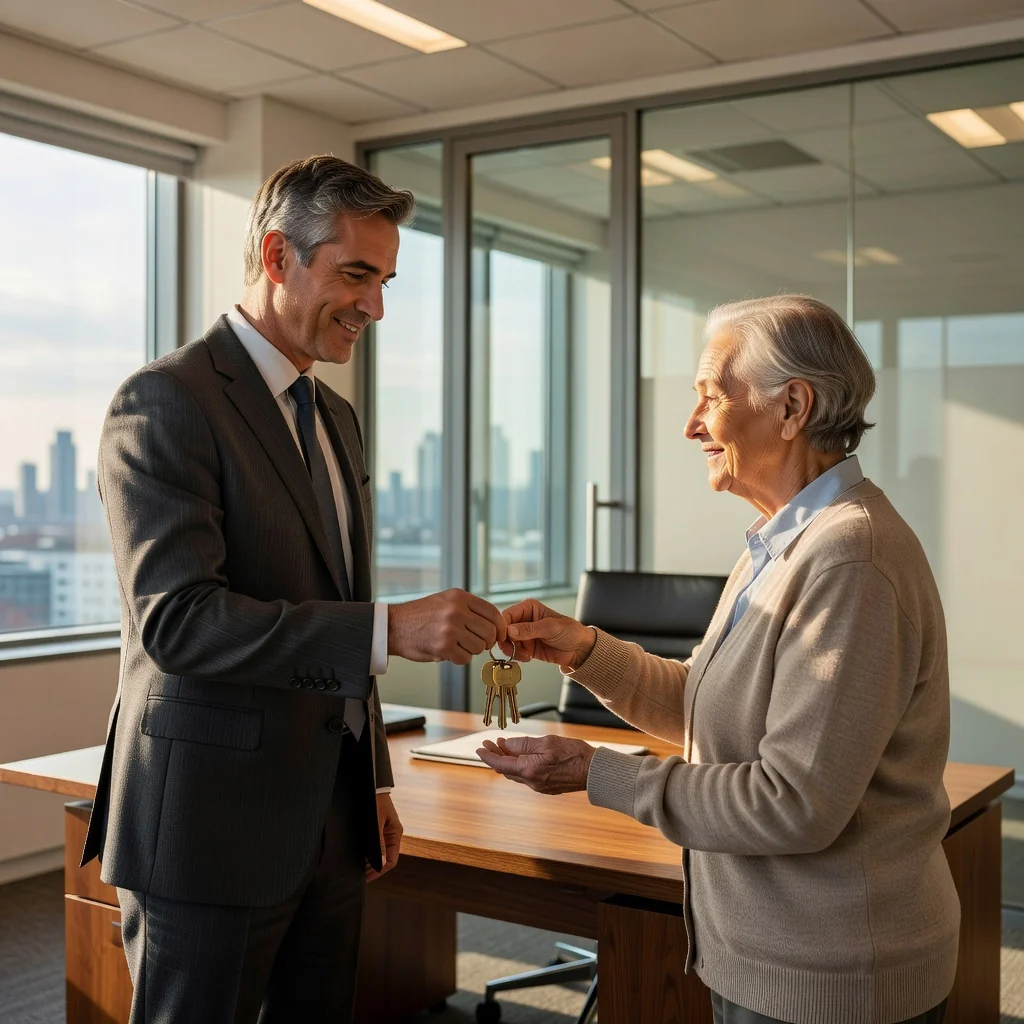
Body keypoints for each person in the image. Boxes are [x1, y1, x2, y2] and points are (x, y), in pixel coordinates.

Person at [83, 155, 507, 1023]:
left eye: (385, 280)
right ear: (278, 258)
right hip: (210, 828)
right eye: (356, 274)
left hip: (329, 819)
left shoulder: (336, 416)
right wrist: (391, 630)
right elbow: (180, 622)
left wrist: (373, 784)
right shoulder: (167, 401)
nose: (375, 306)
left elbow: (334, 595)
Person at [480, 295, 958, 1024]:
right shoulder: (780, 539)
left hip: (832, 981)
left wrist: (591, 771)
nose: (690, 424)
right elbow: (707, 707)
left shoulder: (849, 558)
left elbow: (793, 804)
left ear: (793, 407)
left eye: (709, 396)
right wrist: (586, 651)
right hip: (766, 956)